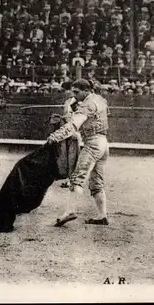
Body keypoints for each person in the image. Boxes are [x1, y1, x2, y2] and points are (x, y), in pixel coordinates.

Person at [47, 79, 110, 226]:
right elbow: (89, 118)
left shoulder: (87, 104)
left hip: (93, 144)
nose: (73, 95)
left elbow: (74, 125)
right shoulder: (100, 99)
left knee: (77, 178)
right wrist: (69, 114)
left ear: (86, 91)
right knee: (96, 183)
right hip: (103, 144)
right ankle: (102, 216)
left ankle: (70, 211)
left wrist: (55, 136)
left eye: (76, 92)